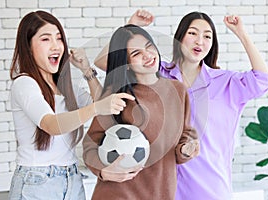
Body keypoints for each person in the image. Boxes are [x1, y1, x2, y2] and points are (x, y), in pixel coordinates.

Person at [94, 9, 268, 200]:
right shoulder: (158, 73)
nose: (200, 41)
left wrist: (242, 33)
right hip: (163, 188)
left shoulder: (226, 83)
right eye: (193, 33)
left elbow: (263, 80)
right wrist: (132, 28)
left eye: (207, 36)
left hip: (208, 187)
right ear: (179, 38)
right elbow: (106, 62)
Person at [8, 10, 135, 200]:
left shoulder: (66, 87)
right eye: (46, 39)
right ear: (28, 46)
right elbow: (51, 124)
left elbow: (102, 104)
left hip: (72, 179)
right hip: (37, 182)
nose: (56, 46)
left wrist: (86, 68)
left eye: (59, 38)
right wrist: (95, 109)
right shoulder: (25, 83)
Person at [82, 24, 199, 200]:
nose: (147, 55)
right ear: (126, 64)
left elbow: (185, 137)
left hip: (161, 193)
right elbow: (90, 145)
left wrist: (186, 150)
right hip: (118, 195)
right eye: (136, 54)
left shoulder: (178, 90)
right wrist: (104, 171)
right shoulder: (117, 95)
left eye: (149, 46)